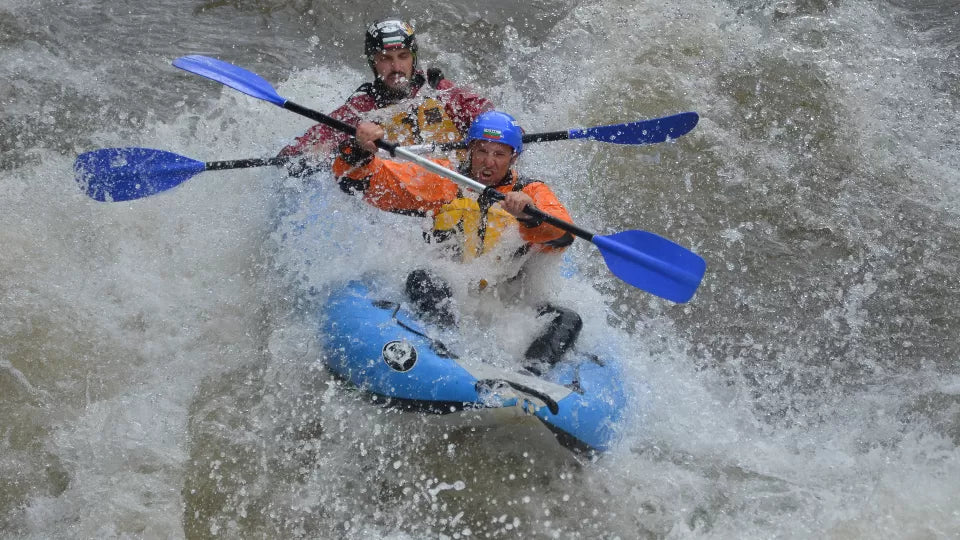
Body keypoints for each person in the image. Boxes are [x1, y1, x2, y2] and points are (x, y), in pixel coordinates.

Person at [332, 110, 582, 373]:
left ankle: (529, 378)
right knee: (423, 280)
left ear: (513, 158)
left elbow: (563, 234)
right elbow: (366, 181)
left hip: (504, 301)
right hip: (450, 288)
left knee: (568, 319)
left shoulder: (530, 192)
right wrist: (358, 151)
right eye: (482, 151)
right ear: (469, 150)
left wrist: (529, 216)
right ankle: (450, 356)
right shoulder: (442, 178)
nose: (488, 162)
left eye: (499, 154)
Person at [279, 17, 492, 170]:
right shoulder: (361, 110)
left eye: (403, 56)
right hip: (405, 197)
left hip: (458, 185)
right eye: (385, 58)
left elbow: (490, 118)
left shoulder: (441, 92)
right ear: (373, 62)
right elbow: (295, 151)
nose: (396, 67)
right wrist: (316, 153)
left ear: (413, 58)